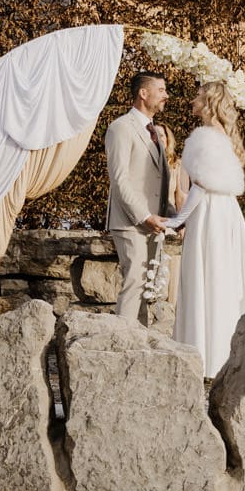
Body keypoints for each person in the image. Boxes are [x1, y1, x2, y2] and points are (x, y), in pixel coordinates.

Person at [163, 80, 245, 377]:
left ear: (208, 102)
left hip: (209, 215)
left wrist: (178, 220)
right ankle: (226, 352)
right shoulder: (227, 136)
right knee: (225, 281)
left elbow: (200, 186)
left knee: (205, 277)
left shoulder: (203, 137)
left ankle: (205, 353)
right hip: (229, 213)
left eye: (197, 95)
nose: (192, 99)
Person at [104, 70, 172, 324]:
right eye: (161, 90)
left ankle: (139, 344)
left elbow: (159, 181)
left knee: (146, 287)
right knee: (134, 283)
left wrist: (173, 215)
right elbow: (119, 178)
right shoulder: (121, 128)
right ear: (144, 93)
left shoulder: (153, 130)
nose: (166, 95)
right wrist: (143, 216)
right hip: (131, 221)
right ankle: (122, 343)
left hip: (154, 223)